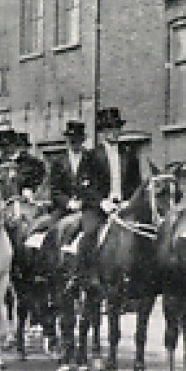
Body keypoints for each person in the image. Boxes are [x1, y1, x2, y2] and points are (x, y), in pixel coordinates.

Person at [66, 108, 145, 266]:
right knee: (90, 234)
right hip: (97, 208)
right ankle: (84, 276)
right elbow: (82, 186)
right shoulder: (91, 155)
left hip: (124, 207)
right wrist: (101, 202)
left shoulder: (129, 155)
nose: (114, 132)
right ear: (102, 132)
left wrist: (129, 201)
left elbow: (136, 184)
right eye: (109, 128)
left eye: (116, 128)